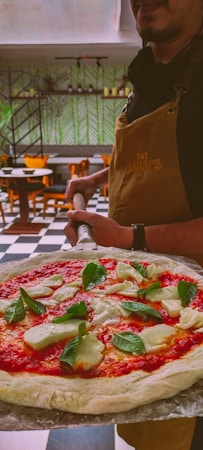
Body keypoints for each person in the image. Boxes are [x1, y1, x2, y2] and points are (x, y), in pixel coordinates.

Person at [64, 1, 203, 448]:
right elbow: (168, 154)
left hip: (192, 325)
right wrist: (98, 177)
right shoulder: (150, 74)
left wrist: (130, 238)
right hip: (138, 301)